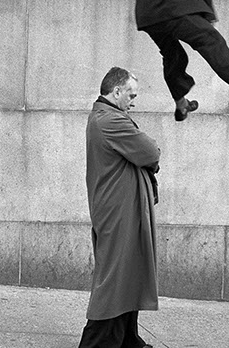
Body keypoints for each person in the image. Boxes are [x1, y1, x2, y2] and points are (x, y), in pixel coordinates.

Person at [79, 67, 160, 348]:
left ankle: (127, 339)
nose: (133, 101)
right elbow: (150, 152)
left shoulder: (105, 117)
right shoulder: (110, 120)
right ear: (116, 92)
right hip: (118, 211)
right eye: (131, 95)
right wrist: (150, 155)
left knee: (128, 272)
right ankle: (95, 342)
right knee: (114, 276)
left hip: (120, 208)